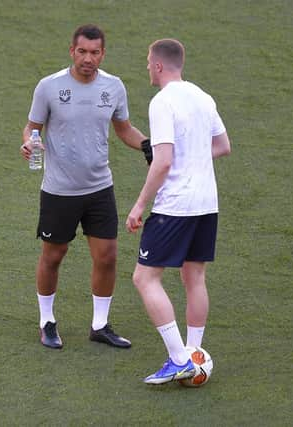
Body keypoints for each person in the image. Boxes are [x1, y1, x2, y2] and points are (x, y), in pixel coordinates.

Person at [20, 24, 149, 350]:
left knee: (107, 256)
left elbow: (124, 129)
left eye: (94, 52)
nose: (88, 58)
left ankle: (100, 325)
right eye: (82, 52)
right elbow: (32, 128)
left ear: (102, 54)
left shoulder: (114, 87)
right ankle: (47, 321)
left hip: (99, 188)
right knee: (54, 254)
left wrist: (148, 144)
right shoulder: (49, 87)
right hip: (59, 190)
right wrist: (28, 144)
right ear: (72, 51)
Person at [125, 38, 231, 383]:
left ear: (157, 65)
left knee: (144, 278)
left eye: (147, 63)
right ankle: (194, 353)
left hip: (176, 205)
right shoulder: (203, 97)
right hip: (206, 203)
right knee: (194, 277)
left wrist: (140, 205)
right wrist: (193, 157)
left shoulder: (162, 102)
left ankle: (178, 357)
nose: (146, 68)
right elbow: (222, 146)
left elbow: (164, 161)